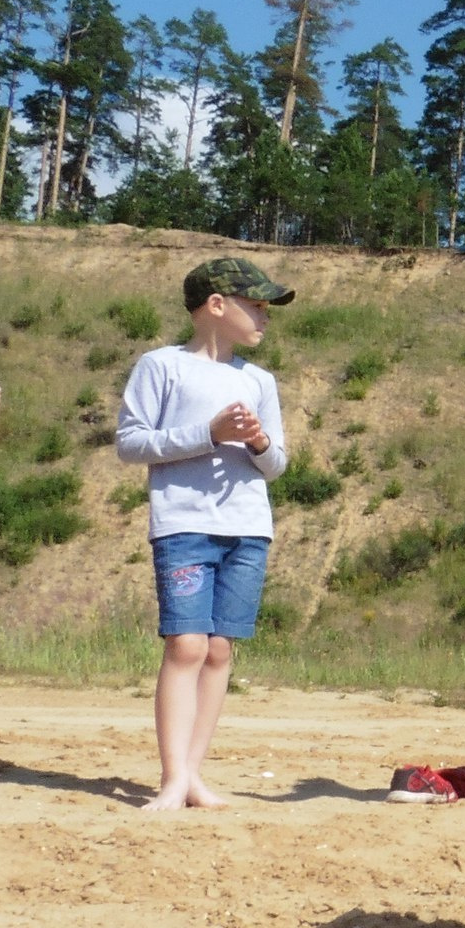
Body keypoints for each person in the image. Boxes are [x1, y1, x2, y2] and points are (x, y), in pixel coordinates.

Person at [115, 257, 293, 812]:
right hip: (184, 525)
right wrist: (208, 434)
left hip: (248, 530)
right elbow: (130, 443)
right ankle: (172, 779)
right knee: (186, 645)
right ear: (216, 306)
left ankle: (193, 777)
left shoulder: (259, 380)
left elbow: (279, 466)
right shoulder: (161, 366)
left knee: (219, 651)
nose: (265, 318)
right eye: (257, 306)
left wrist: (261, 444)